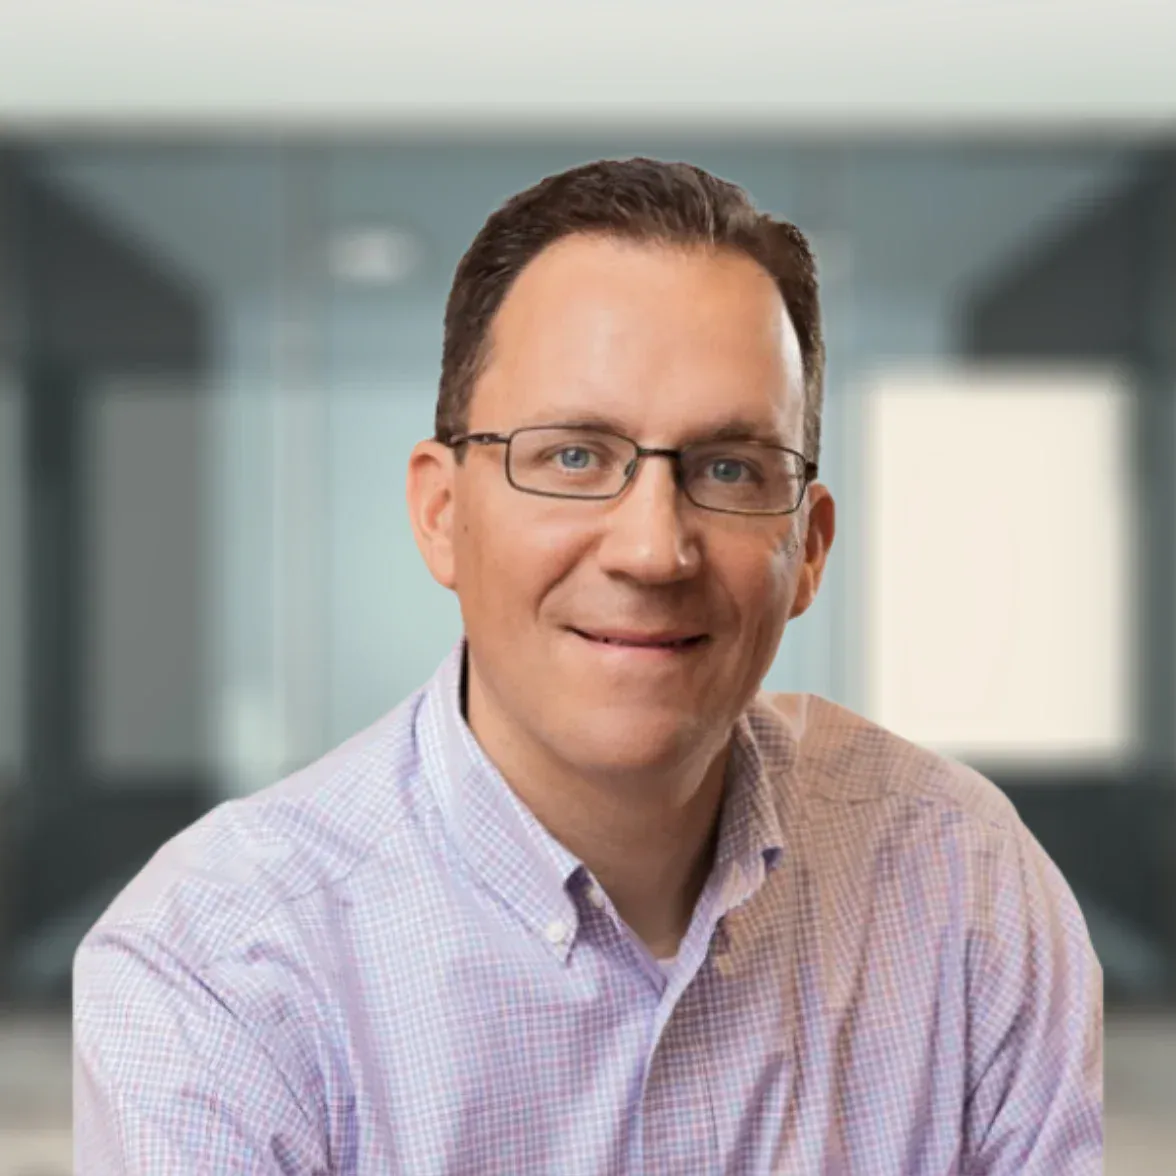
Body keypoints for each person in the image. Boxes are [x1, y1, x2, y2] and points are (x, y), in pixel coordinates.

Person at [73, 158, 1102, 1174]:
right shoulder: (218, 967)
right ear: (441, 513)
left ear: (809, 549)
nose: (653, 551)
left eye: (729, 469)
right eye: (573, 456)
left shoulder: (965, 887)